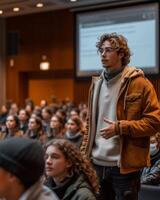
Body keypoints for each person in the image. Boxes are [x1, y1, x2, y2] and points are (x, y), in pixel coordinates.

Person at [81, 32, 160, 200]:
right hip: (96, 164)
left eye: (108, 50)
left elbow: (154, 122)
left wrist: (120, 127)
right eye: (101, 50)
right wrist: (83, 155)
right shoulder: (96, 83)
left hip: (125, 167)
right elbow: (90, 124)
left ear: (122, 54)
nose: (103, 54)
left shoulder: (139, 82)